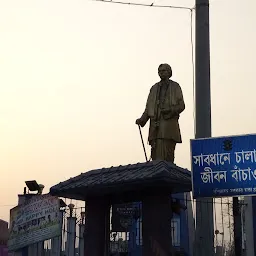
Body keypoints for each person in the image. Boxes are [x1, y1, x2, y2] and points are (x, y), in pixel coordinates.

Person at [135, 63, 185, 163]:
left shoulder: (175, 86)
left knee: (168, 157)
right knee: (156, 158)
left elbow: (181, 106)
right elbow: (148, 108)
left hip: (168, 127)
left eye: (163, 71)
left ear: (169, 72)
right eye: (159, 71)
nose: (161, 73)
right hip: (155, 128)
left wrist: (170, 110)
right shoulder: (154, 88)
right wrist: (142, 120)